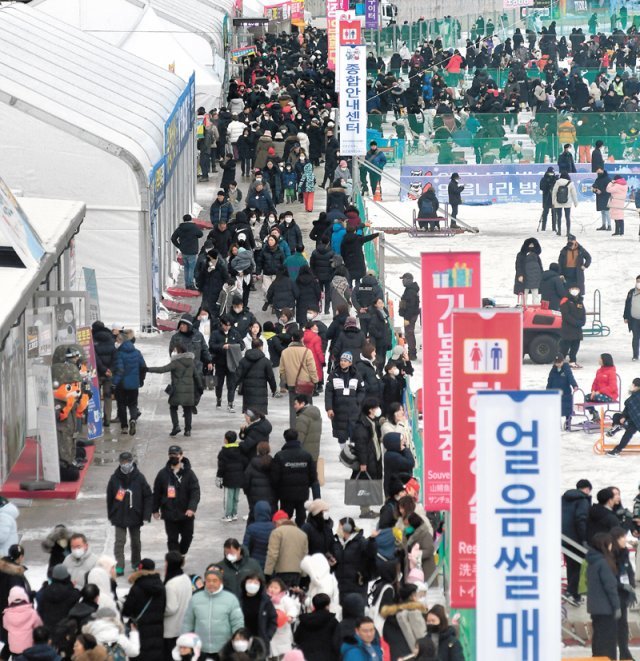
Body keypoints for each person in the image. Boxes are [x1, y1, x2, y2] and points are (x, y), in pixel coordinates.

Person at [105, 451, 152, 575]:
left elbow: (148, 496)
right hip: (119, 515)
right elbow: (110, 497)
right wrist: (111, 513)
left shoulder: (140, 478)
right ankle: (119, 565)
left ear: (132, 462)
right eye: (123, 462)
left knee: (136, 542)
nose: (125, 465)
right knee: (120, 541)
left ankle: (136, 563)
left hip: (135, 515)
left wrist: (146, 515)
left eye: (127, 462)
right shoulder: (114, 478)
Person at [181, 568, 244, 659]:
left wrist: (238, 640)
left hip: (224, 648)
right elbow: (187, 622)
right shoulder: (196, 598)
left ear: (220, 582)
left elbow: (237, 623)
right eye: (208, 581)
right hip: (200, 648)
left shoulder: (231, 599)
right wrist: (185, 642)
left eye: (215, 580)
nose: (211, 583)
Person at [152, 446, 201, 555]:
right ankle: (175, 561)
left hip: (186, 514)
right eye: (171, 455)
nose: (173, 457)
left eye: (176, 455)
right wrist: (155, 509)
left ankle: (181, 554)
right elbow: (156, 493)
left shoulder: (189, 474)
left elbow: (195, 492)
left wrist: (191, 508)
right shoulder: (162, 474)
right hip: (169, 513)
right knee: (172, 540)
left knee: (187, 537)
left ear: (181, 455)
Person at [121, 558, 166, 661]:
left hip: (139, 630)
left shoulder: (136, 587)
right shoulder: (161, 587)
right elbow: (164, 608)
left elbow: (126, 611)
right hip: (158, 631)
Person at [271, 429, 317, 526]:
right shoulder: (307, 455)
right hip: (302, 493)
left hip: (285, 495)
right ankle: (300, 536)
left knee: (285, 518)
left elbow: (275, 478)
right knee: (301, 516)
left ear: (285, 439)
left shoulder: (280, 456)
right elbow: (313, 476)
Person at [587, 532, 620, 660]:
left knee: (598, 638)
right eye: (610, 542)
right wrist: (616, 606)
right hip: (606, 608)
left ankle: (597, 658)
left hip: (595, 607)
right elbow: (610, 587)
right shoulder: (603, 563)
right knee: (608, 640)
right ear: (605, 545)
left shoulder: (592, 561)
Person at [332, 519, 377, 607]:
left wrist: (372, 541)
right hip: (342, 585)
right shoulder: (337, 544)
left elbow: (371, 554)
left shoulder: (361, 542)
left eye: (340, 527)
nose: (338, 529)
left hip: (357, 586)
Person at [279, 330, 319, 429]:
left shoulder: (285, 352)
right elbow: (312, 369)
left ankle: (293, 429)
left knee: (293, 408)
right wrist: (315, 381)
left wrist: (283, 384)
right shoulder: (307, 351)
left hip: (292, 384)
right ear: (302, 339)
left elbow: (282, 370)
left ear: (292, 339)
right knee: (307, 407)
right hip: (306, 384)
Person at [561, 479, 592, 606]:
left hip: (563, 538)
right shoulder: (582, 500)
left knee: (571, 565)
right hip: (577, 538)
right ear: (587, 489)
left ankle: (575, 595)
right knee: (579, 566)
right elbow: (581, 520)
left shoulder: (563, 499)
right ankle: (571, 592)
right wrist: (584, 538)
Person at [325, 352, 364, 449]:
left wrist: (357, 401)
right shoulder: (333, 375)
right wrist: (329, 408)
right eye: (342, 360)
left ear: (350, 363)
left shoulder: (356, 375)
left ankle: (353, 452)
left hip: (353, 409)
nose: (343, 362)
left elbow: (361, 390)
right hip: (338, 410)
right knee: (341, 434)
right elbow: (328, 393)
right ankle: (343, 452)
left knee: (353, 433)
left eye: (346, 361)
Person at [352, 398, 383, 519]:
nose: (378, 409)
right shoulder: (362, 425)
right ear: (370, 410)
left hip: (373, 457)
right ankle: (364, 511)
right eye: (376, 407)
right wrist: (363, 462)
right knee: (364, 484)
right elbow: (361, 446)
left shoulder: (371, 421)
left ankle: (367, 509)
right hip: (367, 459)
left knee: (369, 483)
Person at [111, 329, 146, 436]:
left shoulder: (119, 353)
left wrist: (114, 383)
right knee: (133, 404)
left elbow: (120, 370)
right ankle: (133, 420)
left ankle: (124, 427)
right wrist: (141, 380)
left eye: (117, 340)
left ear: (121, 341)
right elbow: (143, 367)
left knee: (121, 405)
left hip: (121, 385)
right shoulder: (137, 352)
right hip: (134, 384)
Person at [264, 510, 309, 587]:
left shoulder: (277, 532)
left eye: (274, 523)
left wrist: (267, 573)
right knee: (293, 597)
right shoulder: (302, 534)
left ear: (277, 522)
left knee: (282, 597)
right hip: (297, 573)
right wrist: (304, 575)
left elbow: (272, 554)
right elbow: (304, 556)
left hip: (282, 573)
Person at [209, 315, 244, 412]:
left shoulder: (235, 333)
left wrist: (232, 346)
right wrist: (222, 346)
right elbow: (211, 346)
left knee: (231, 384)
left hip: (232, 363)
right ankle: (218, 399)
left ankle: (230, 403)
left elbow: (242, 345)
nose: (227, 327)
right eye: (225, 325)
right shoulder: (215, 333)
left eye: (229, 325)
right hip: (220, 362)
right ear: (222, 324)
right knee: (218, 384)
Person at [163, 551, 192, 659]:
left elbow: (171, 608)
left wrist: (158, 611)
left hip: (170, 629)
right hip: (183, 626)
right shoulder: (186, 578)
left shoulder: (171, 584)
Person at [235, 339, 277, 415]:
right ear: (261, 347)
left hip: (248, 393)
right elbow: (271, 377)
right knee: (260, 415)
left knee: (249, 416)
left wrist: (233, 387)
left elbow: (238, 376)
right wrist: (273, 389)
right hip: (261, 394)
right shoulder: (266, 361)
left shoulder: (243, 360)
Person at [294, 593, 338, 661]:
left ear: (314, 605)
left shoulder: (305, 620)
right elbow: (337, 640)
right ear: (327, 606)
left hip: (306, 656)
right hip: (327, 656)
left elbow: (297, 638)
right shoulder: (332, 621)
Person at [217, 431, 248, 523]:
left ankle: (228, 515)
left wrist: (219, 477)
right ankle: (234, 514)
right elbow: (245, 462)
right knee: (235, 497)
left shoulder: (223, 452)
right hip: (239, 478)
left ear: (226, 440)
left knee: (228, 497)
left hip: (228, 478)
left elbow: (221, 466)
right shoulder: (240, 450)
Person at [238, 574, 277, 647]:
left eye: (256, 583)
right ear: (244, 583)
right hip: (240, 640)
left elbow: (273, 619)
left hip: (260, 641)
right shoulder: (237, 600)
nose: (252, 585)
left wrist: (267, 636)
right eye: (250, 582)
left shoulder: (265, 601)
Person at [91, 321, 117, 429]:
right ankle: (107, 420)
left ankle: (95, 420)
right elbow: (115, 355)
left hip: (96, 372)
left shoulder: (92, 339)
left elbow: (94, 356)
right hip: (108, 374)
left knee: (95, 396)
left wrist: (102, 368)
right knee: (107, 396)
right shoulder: (111, 338)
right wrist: (110, 369)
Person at [243, 442, 277, 523]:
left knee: (254, 519)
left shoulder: (252, 464)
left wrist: (248, 493)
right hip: (271, 498)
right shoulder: (274, 463)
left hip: (255, 498)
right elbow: (277, 480)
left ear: (258, 450)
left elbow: (246, 482)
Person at [606, 378, 640, 456]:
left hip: (636, 422)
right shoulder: (633, 397)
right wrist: (624, 416)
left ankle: (617, 450)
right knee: (616, 416)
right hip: (631, 418)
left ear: (636, 386)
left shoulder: (636, 397)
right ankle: (617, 426)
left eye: (633, 385)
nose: (631, 386)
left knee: (628, 433)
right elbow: (627, 409)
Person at [171, 215, 203, 290]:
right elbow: (200, 234)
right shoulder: (194, 227)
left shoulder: (180, 228)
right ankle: (190, 284)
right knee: (191, 268)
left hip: (184, 251)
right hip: (192, 251)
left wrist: (179, 246)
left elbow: (173, 238)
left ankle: (187, 284)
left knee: (186, 267)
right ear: (191, 219)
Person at [546, 355, 578, 431]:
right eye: (556, 363)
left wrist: (574, 385)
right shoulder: (553, 370)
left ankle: (568, 424)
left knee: (567, 409)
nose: (558, 364)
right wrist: (547, 390)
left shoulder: (566, 369)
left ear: (563, 361)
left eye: (559, 363)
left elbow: (570, 377)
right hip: (555, 393)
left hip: (565, 393)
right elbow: (549, 380)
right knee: (556, 410)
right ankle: (556, 425)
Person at [584, 353, 618, 423]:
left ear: (604, 360)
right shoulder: (599, 371)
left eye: (600, 358)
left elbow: (612, 387)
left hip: (610, 395)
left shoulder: (611, 372)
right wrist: (593, 390)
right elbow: (595, 383)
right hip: (598, 394)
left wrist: (599, 391)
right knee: (586, 397)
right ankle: (594, 413)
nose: (598, 360)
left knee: (595, 397)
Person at [242, 501, 274, 571]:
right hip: (271, 564)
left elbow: (245, 548)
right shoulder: (274, 527)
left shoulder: (251, 528)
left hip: (255, 564)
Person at [559, 285, 586, 369]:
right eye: (573, 289)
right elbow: (566, 315)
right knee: (565, 346)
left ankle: (572, 361)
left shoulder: (580, 301)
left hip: (577, 329)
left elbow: (583, 313)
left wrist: (582, 322)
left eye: (576, 289)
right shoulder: (565, 301)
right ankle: (560, 361)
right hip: (568, 328)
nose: (575, 290)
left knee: (575, 345)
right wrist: (575, 322)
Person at [382, 433, 415, 499]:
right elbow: (410, 463)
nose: (404, 441)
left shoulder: (392, 453)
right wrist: (406, 450)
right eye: (401, 440)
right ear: (394, 442)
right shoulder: (393, 456)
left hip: (396, 488)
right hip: (397, 490)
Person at [513, 238, 543, 305]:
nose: (531, 246)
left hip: (535, 277)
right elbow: (518, 265)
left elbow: (540, 266)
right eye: (530, 244)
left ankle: (536, 308)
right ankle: (523, 307)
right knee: (524, 294)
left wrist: (541, 275)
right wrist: (520, 275)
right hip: (525, 276)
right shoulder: (521, 255)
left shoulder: (536, 255)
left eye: (533, 245)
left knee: (535, 295)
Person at [398, 273, 420, 361]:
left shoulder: (411, 291)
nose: (402, 281)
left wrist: (407, 318)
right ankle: (412, 353)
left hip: (410, 316)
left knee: (409, 334)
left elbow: (411, 306)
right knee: (409, 334)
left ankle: (412, 354)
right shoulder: (409, 289)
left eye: (403, 279)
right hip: (409, 315)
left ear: (408, 280)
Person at [551, 171, 578, 236]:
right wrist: (575, 203)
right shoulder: (570, 183)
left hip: (558, 202)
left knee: (559, 217)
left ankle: (559, 231)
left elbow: (554, 193)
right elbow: (574, 194)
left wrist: (553, 202)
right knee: (567, 217)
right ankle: (568, 232)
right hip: (567, 202)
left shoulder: (557, 182)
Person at [623, 275, 640, 361]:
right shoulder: (631, 292)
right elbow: (627, 305)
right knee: (636, 337)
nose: (639, 283)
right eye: (638, 281)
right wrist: (625, 317)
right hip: (634, 319)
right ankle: (635, 355)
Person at [539, 167, 557, 232]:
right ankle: (543, 227)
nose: (551, 174)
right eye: (550, 173)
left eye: (552, 173)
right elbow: (541, 187)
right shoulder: (544, 179)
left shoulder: (555, 179)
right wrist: (547, 183)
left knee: (554, 214)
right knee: (545, 213)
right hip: (546, 197)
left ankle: (554, 227)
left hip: (553, 198)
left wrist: (554, 181)